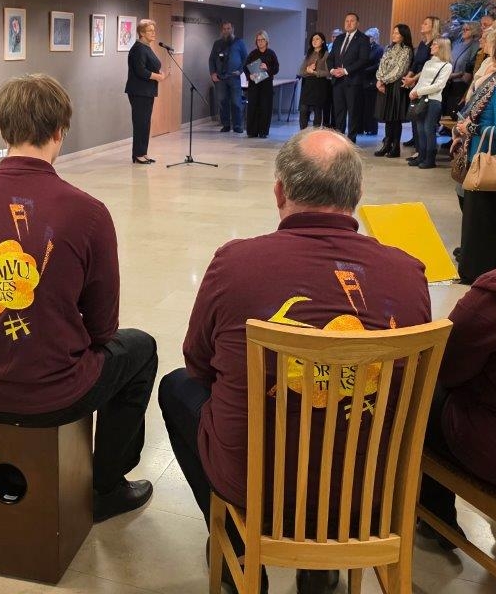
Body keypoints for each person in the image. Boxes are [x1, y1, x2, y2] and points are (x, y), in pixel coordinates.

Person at [159, 128, 430, 594]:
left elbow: (198, 363)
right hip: (368, 489)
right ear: (357, 193)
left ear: (280, 191)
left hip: (258, 485)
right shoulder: (409, 273)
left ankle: (239, 552)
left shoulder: (236, 264)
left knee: (176, 386)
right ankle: (322, 565)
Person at [0, 74, 158, 523]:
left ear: (3, 130)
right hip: (54, 392)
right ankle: (106, 486)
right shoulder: (88, 212)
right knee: (140, 349)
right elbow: (103, 328)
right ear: (60, 131)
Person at [418, 268, 496, 549]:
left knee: (420, 389)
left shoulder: (490, 297)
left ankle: (436, 516)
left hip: (486, 449)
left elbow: (446, 367)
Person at [451, 42, 496, 284]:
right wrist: (462, 131)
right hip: (475, 155)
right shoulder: (491, 79)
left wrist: (471, 128)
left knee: (481, 221)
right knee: (474, 219)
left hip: (487, 162)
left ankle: (478, 273)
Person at [125, 18, 169, 164]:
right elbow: (140, 70)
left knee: (145, 122)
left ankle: (143, 153)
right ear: (142, 33)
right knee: (140, 122)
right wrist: (158, 76)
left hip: (147, 91)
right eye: (150, 31)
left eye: (154, 30)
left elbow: (151, 65)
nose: (153, 33)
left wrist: (159, 72)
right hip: (139, 91)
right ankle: (138, 154)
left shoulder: (146, 47)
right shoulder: (138, 49)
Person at [407, 38, 452, 169]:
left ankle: (430, 159)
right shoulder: (428, 62)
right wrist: (413, 92)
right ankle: (421, 156)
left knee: (429, 129)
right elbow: (421, 81)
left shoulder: (447, 66)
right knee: (420, 129)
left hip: (434, 100)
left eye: (434, 45)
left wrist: (419, 91)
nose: (431, 46)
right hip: (420, 98)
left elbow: (439, 86)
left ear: (442, 48)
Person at [327, 13, 371, 142]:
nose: (349, 23)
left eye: (352, 21)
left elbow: (363, 60)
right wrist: (332, 70)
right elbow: (330, 58)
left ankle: (351, 140)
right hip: (337, 81)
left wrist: (345, 71)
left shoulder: (363, 39)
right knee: (339, 112)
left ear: (358, 23)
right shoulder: (339, 38)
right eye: (346, 21)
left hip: (353, 82)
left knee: (353, 113)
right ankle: (340, 139)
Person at [373, 24, 413, 158]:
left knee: (395, 118)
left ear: (403, 35)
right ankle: (386, 144)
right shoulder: (389, 48)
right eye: (394, 32)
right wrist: (379, 79)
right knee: (387, 118)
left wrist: (383, 80)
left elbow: (399, 70)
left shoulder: (406, 50)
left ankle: (395, 147)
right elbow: (381, 65)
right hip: (385, 85)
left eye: (397, 33)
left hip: (396, 86)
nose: (394, 35)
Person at [402, 16, 441, 150]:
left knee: (424, 120)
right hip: (416, 83)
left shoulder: (436, 44)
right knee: (415, 116)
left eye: (425, 24)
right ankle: (418, 149)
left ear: (433, 27)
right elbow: (416, 63)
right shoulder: (423, 43)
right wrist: (408, 77)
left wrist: (413, 79)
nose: (422, 25)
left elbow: (429, 67)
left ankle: (424, 152)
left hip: (426, 84)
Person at [209, 22, 248, 134]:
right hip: (220, 78)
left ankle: (237, 125)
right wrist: (213, 73)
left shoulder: (239, 43)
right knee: (222, 101)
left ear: (232, 29)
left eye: (228, 28)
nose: (226, 31)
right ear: (222, 30)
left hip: (234, 78)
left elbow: (245, 59)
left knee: (236, 102)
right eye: (224, 29)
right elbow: (211, 59)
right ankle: (226, 125)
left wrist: (240, 71)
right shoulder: (217, 44)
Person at [244, 30, 280, 138]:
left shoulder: (271, 53)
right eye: (258, 40)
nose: (260, 42)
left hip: (266, 86)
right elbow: (245, 67)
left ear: (266, 41)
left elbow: (276, 69)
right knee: (253, 107)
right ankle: (252, 132)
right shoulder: (253, 54)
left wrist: (267, 68)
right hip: (254, 85)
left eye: (262, 39)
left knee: (265, 108)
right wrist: (249, 76)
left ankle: (263, 132)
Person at [442, 21, 480, 118]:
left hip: (461, 83)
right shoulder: (457, 44)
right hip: (450, 81)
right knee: (447, 110)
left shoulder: (475, 45)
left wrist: (461, 75)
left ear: (474, 31)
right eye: (463, 29)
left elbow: (471, 63)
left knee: (456, 110)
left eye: (467, 29)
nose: (464, 31)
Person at [297, 32, 330, 130]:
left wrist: (315, 72)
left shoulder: (326, 54)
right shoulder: (309, 54)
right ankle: (302, 133)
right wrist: (308, 70)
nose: (314, 41)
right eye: (313, 39)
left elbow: (328, 73)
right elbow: (301, 72)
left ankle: (315, 135)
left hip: (320, 85)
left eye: (317, 39)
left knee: (317, 111)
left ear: (323, 41)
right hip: (308, 85)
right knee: (303, 110)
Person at [361, 27, 384, 135]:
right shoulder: (365, 48)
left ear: (374, 38)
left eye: (369, 37)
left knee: (371, 106)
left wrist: (364, 70)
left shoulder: (379, 49)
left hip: (372, 80)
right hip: (363, 80)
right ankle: (363, 127)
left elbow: (378, 65)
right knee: (363, 106)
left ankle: (372, 128)